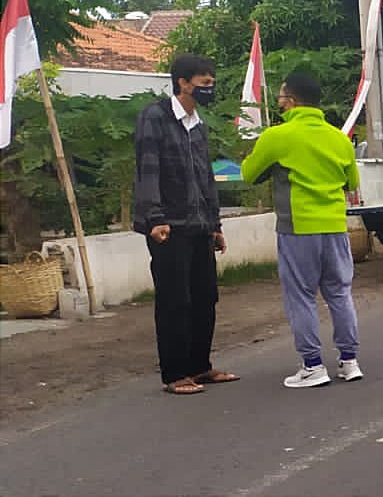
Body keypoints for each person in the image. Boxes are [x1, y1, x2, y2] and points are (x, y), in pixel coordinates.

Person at [241, 74, 362, 388]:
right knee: (339, 293)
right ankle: (349, 362)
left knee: (302, 297)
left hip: (298, 229)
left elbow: (249, 173)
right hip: (335, 227)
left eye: (281, 98)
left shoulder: (277, 136)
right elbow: (353, 183)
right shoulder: (339, 137)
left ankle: (312, 365)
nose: (279, 103)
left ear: (291, 100)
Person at [133, 53, 238, 395]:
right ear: (183, 82)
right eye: (205, 83)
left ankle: (200, 367)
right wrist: (155, 218)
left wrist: (215, 223)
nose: (210, 88)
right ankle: (175, 374)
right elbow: (148, 169)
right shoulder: (155, 118)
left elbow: (206, 177)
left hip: (199, 225)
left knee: (205, 297)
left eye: (211, 83)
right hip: (168, 226)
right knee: (174, 300)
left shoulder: (198, 124)